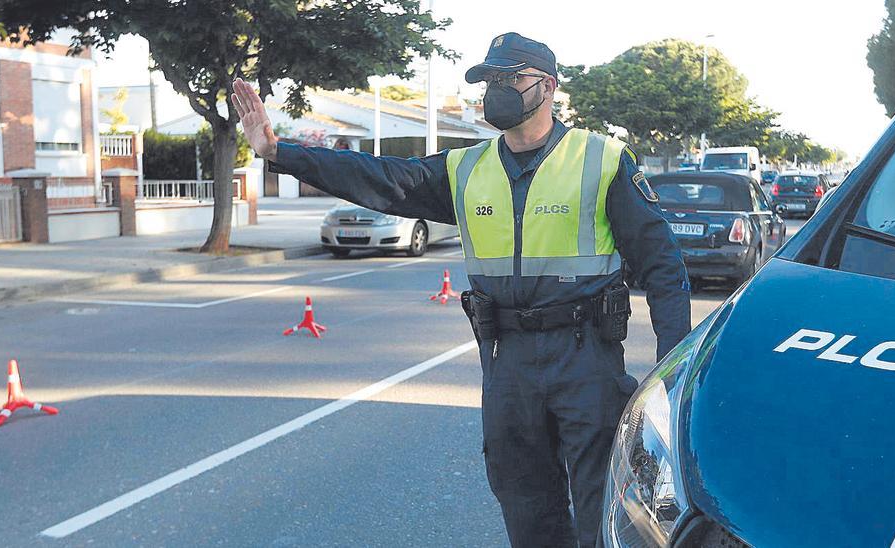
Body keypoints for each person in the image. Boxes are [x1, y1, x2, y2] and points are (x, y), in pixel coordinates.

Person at [230, 32, 691, 547]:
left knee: (598, 509)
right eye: (489, 79)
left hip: (585, 358)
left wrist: (670, 378)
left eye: (510, 77)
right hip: (507, 360)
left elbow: (663, 268)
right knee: (525, 506)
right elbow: (382, 176)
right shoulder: (466, 168)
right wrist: (280, 152)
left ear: (548, 86)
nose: (497, 88)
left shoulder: (602, 161)